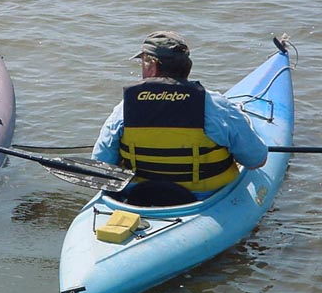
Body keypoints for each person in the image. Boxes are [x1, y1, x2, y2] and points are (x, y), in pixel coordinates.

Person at [92, 31, 268, 204]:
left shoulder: (124, 109)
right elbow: (256, 160)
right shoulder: (217, 107)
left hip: (140, 197)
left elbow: (101, 166)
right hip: (206, 200)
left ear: (151, 65)